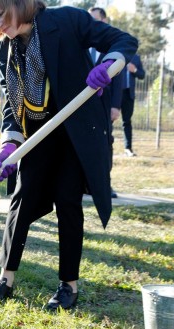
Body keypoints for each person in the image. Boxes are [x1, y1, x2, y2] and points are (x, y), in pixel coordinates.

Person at [0, 0, 137, 310]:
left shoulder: (67, 21)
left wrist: (109, 65)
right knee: (21, 200)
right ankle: (4, 279)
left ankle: (68, 286)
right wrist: (9, 142)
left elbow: (124, 41)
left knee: (67, 200)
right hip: (37, 135)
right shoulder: (3, 50)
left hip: (75, 132)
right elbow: (12, 103)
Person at [88, 6, 122, 198]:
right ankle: (85, 184)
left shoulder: (111, 45)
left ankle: (104, 185)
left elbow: (118, 79)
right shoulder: (81, 43)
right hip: (83, 106)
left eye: (95, 20)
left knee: (105, 143)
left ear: (104, 21)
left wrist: (116, 106)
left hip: (105, 104)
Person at [119, 53, 145, 157]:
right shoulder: (117, 54)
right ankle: (105, 145)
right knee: (108, 120)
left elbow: (142, 75)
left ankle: (128, 148)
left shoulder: (136, 57)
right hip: (116, 93)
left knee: (127, 121)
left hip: (129, 94)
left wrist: (134, 70)